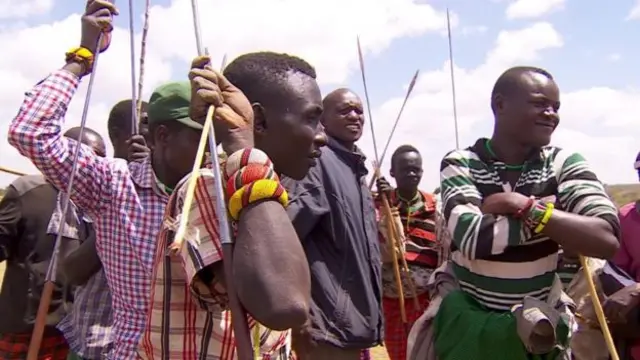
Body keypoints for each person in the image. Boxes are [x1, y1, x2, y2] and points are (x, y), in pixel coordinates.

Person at [7, 1, 207, 358]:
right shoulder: (114, 186)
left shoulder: (214, 191)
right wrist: (82, 56)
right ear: (162, 136)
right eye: (199, 136)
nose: (210, 149)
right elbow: (29, 132)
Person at [138, 52, 324, 359]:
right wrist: (242, 144)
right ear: (259, 120)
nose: (322, 136)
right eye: (311, 118)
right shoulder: (209, 186)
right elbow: (284, 305)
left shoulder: (265, 188)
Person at [435, 66, 620, 359]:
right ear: (500, 104)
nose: (551, 114)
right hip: (471, 329)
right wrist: (558, 220)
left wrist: (522, 206)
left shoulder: (563, 162)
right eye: (539, 103)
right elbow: (471, 238)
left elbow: (605, 238)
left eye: (555, 107)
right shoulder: (462, 162)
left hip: (542, 329)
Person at [282, 88, 382, 360]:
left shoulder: (353, 167)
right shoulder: (317, 162)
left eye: (359, 111)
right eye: (344, 110)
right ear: (323, 118)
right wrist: (301, 315)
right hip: (326, 327)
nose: (354, 116)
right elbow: (286, 239)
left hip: (351, 326)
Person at [0, 127, 105, 360]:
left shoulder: (101, 204)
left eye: (99, 159)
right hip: (26, 329)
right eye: (88, 156)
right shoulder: (28, 191)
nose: (94, 165)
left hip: (76, 329)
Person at [58, 100, 150, 360]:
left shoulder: (167, 189)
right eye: (145, 122)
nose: (153, 129)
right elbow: (69, 272)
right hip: (97, 339)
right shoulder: (82, 193)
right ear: (121, 135)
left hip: (145, 344)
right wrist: (119, 213)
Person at [375, 145, 440, 360]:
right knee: (398, 354)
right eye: (405, 170)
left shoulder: (435, 207)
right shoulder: (380, 203)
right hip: (391, 300)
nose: (412, 174)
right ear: (392, 172)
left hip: (424, 299)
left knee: (426, 352)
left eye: (416, 169)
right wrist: (383, 202)